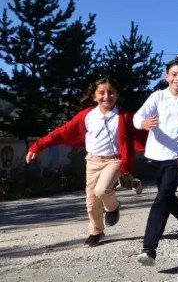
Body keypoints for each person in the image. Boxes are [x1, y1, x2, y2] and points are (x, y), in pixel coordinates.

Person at [26, 78, 142, 246]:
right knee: (91, 200)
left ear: (117, 95)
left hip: (115, 160)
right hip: (93, 160)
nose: (106, 96)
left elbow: (145, 132)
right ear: (94, 96)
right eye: (101, 93)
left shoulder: (125, 116)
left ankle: (113, 207)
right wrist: (37, 146)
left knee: (102, 190)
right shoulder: (87, 116)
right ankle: (96, 231)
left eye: (111, 92)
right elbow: (61, 132)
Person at [134, 58, 178, 266]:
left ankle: (149, 248)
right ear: (167, 76)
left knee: (161, 198)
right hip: (155, 155)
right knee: (166, 196)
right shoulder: (157, 96)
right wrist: (144, 123)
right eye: (174, 74)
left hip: (177, 157)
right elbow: (137, 118)